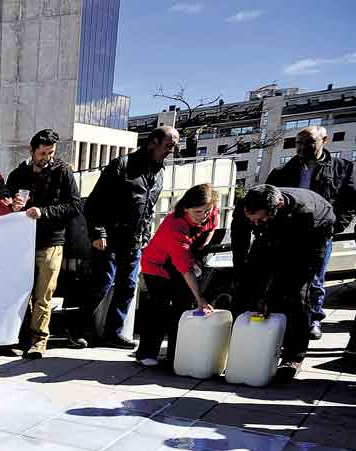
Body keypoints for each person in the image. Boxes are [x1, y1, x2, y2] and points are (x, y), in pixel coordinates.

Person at [73, 125, 179, 349]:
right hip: (110, 237)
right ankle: (79, 329)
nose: (172, 150)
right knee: (101, 284)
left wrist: (146, 235)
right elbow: (94, 203)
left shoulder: (159, 172)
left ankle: (114, 332)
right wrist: (98, 232)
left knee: (128, 286)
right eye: (169, 145)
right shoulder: (122, 165)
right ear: (153, 142)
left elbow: (148, 208)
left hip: (135, 240)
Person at [264, 125, 356, 340]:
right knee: (285, 275)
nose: (302, 147)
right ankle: (287, 315)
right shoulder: (284, 170)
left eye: (309, 142)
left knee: (315, 277)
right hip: (290, 232)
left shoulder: (343, 168)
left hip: (320, 232)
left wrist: (334, 226)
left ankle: (313, 318)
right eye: (298, 143)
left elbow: (350, 202)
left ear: (325, 140)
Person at [237, 185, 335, 381]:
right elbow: (240, 235)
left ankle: (293, 356)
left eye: (260, 219)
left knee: (296, 295)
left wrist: (270, 294)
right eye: (252, 220)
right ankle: (247, 345)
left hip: (310, 241)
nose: (255, 223)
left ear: (278, 206)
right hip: (273, 234)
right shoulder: (248, 205)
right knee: (249, 284)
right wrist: (241, 267)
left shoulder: (305, 214)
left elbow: (287, 262)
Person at [6, 128, 83, 359]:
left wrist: (44, 212)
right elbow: (4, 203)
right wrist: (12, 205)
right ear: (32, 151)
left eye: (51, 152)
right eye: (43, 153)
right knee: (22, 293)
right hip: (22, 243)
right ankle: (21, 338)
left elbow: (75, 205)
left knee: (43, 295)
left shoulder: (63, 172)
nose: (47, 157)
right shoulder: (18, 174)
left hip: (50, 242)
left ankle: (39, 341)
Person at [135, 184, 219, 367]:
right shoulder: (174, 226)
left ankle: (175, 354)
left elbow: (213, 225)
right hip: (157, 265)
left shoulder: (211, 213)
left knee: (182, 308)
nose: (203, 216)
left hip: (183, 261)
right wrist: (200, 298)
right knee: (160, 307)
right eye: (197, 212)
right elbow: (185, 269)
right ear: (185, 208)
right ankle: (146, 353)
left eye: (207, 211)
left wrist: (201, 246)